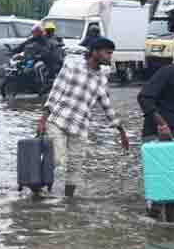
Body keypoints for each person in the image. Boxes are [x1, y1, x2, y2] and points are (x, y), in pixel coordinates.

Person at [37, 37, 131, 198]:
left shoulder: (101, 78)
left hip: (80, 127)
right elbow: (55, 93)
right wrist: (43, 120)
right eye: (107, 53)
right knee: (58, 160)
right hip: (58, 121)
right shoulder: (71, 67)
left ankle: (69, 200)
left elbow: (106, 105)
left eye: (111, 53)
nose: (110, 57)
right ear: (95, 52)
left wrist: (121, 131)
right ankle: (36, 185)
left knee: (76, 166)